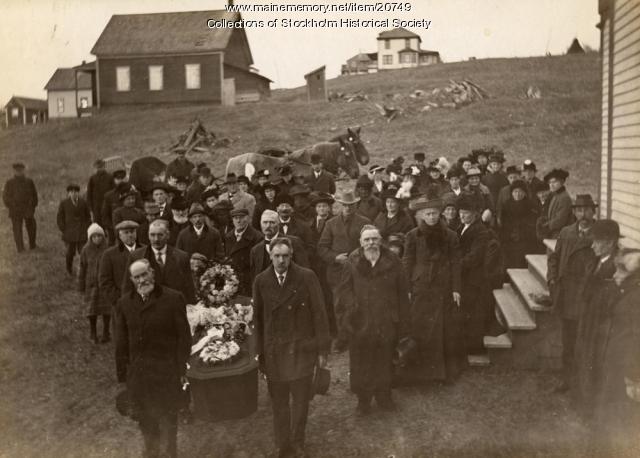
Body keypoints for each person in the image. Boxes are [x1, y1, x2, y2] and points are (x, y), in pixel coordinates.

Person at [253, 237, 330, 458]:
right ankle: (282, 443)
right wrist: (259, 352)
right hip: (274, 351)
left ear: (292, 254)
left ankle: (297, 442)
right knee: (279, 402)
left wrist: (322, 350)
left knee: (300, 401)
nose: (281, 261)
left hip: (301, 349)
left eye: (285, 256)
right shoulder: (261, 281)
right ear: (270, 255)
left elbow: (320, 313)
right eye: (276, 256)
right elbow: (258, 319)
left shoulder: (307, 277)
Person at [115, 259, 191, 458]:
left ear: (152, 274)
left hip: (167, 374)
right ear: (131, 280)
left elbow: (184, 337)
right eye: (137, 277)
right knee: (146, 424)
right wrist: (124, 377)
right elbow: (121, 343)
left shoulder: (173, 299)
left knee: (168, 423)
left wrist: (182, 369)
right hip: (140, 378)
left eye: (144, 274)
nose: (142, 280)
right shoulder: (124, 304)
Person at [337, 225, 409, 414]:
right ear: (361, 243)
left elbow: (402, 292)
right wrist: (352, 307)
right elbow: (344, 289)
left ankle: (384, 397)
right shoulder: (352, 261)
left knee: (384, 360)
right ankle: (364, 401)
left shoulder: (393, 261)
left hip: (386, 320)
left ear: (381, 241)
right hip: (360, 321)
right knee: (361, 362)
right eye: (367, 240)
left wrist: (402, 319)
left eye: (374, 239)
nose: (371, 243)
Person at [402, 196, 464, 384]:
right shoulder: (412, 235)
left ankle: (439, 373)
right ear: (421, 216)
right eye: (428, 214)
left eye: (435, 214)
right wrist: (407, 287)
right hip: (420, 286)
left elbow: (455, 263)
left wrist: (456, 289)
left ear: (440, 214)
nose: (432, 217)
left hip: (442, 286)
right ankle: (419, 372)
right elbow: (407, 262)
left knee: (440, 329)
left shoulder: (450, 235)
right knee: (420, 326)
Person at [547, 194, 598, 393]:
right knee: (568, 341)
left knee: (585, 340)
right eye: (578, 210)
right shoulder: (566, 232)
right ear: (574, 213)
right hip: (567, 295)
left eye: (586, 210)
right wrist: (552, 279)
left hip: (587, 296)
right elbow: (554, 258)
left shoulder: (599, 234)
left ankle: (583, 383)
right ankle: (567, 380)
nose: (582, 214)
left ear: (593, 212)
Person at [591, 249, 640, 456]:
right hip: (615, 363)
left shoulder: (635, 300)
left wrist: (633, 377)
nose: (615, 275)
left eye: (621, 270)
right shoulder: (626, 294)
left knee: (621, 421)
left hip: (626, 370)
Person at [573, 219, 620, 418]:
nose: (592, 245)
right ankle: (585, 404)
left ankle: (594, 409)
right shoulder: (596, 262)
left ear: (609, 243)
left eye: (597, 241)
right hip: (589, 319)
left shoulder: (615, 268)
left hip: (602, 324)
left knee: (597, 362)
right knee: (584, 358)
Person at [318, 190, 371, 303]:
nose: (348, 208)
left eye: (351, 205)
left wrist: (358, 258)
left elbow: (371, 246)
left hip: (359, 271)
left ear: (355, 205)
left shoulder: (365, 222)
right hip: (337, 273)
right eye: (345, 205)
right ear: (341, 205)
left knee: (359, 304)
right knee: (340, 306)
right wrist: (335, 258)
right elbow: (322, 248)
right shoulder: (331, 223)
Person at [124, 219, 195, 303]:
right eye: (152, 235)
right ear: (148, 236)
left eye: (160, 235)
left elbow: (189, 288)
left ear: (168, 235)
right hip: (147, 307)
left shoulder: (181, 257)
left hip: (174, 307)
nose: (156, 239)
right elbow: (128, 287)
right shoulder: (136, 256)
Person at [457, 194, 491, 355]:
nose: (462, 215)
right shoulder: (462, 227)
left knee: (473, 312)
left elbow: (474, 257)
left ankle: (474, 348)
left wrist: (455, 266)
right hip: (465, 276)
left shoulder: (480, 231)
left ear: (475, 214)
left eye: (466, 213)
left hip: (474, 278)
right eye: (460, 212)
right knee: (465, 311)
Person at [249, 210, 310, 283]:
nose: (268, 226)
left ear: (278, 224)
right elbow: (254, 279)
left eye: (272, 222)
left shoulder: (294, 242)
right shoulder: (256, 250)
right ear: (260, 224)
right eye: (265, 222)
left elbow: (304, 271)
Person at [99, 220, 142, 314]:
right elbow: (105, 281)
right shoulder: (109, 255)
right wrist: (118, 300)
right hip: (121, 303)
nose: (130, 235)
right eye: (126, 233)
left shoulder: (146, 250)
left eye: (132, 232)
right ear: (120, 235)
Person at [78, 223, 110, 343]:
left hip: (105, 284)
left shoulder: (107, 249)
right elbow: (82, 267)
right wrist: (81, 284)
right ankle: (93, 332)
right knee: (92, 310)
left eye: (100, 236)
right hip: (91, 285)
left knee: (107, 309)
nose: (97, 239)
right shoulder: (86, 250)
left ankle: (106, 332)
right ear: (90, 238)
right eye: (94, 236)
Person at [224, 208, 263, 297]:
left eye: (241, 217)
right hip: (233, 280)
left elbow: (258, 264)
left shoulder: (257, 237)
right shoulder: (229, 236)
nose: (238, 221)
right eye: (235, 218)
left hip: (249, 280)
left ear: (248, 218)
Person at [499, 180, 538, 269]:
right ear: (512, 193)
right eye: (515, 191)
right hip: (509, 239)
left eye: (520, 191)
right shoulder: (506, 205)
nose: (518, 194)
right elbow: (504, 224)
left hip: (524, 239)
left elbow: (531, 224)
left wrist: (521, 231)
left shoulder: (530, 205)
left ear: (525, 193)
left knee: (521, 262)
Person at [3, 162, 38, 252]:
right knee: (17, 229)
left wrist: (33, 206)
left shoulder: (29, 181)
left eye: (21, 170)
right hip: (15, 209)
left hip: (27, 208)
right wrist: (12, 205)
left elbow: (34, 195)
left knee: (32, 226)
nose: (19, 172)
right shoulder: (9, 183)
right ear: (14, 171)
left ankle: (32, 245)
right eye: (17, 170)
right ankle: (20, 248)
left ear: (24, 170)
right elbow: (5, 197)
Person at [57, 184, 92, 275]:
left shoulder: (83, 202)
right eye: (71, 192)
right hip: (69, 233)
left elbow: (88, 216)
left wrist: (87, 227)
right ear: (68, 193)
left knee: (83, 252)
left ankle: (84, 270)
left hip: (82, 232)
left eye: (76, 192)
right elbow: (60, 218)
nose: (74, 194)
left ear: (78, 193)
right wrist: (64, 229)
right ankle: (69, 269)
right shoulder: (64, 203)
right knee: (69, 253)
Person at [539, 168, 573, 239]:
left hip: (561, 235)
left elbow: (560, 220)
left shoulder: (564, 198)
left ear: (562, 182)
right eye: (550, 182)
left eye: (554, 182)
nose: (551, 185)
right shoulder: (555, 195)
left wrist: (546, 226)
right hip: (553, 233)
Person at [86, 159, 113, 227]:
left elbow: (114, 191)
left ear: (105, 166)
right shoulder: (92, 178)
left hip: (108, 206)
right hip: (97, 208)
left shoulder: (110, 177)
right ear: (95, 168)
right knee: (98, 226)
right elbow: (89, 194)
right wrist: (90, 208)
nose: (100, 169)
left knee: (109, 225)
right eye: (98, 167)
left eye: (101, 167)